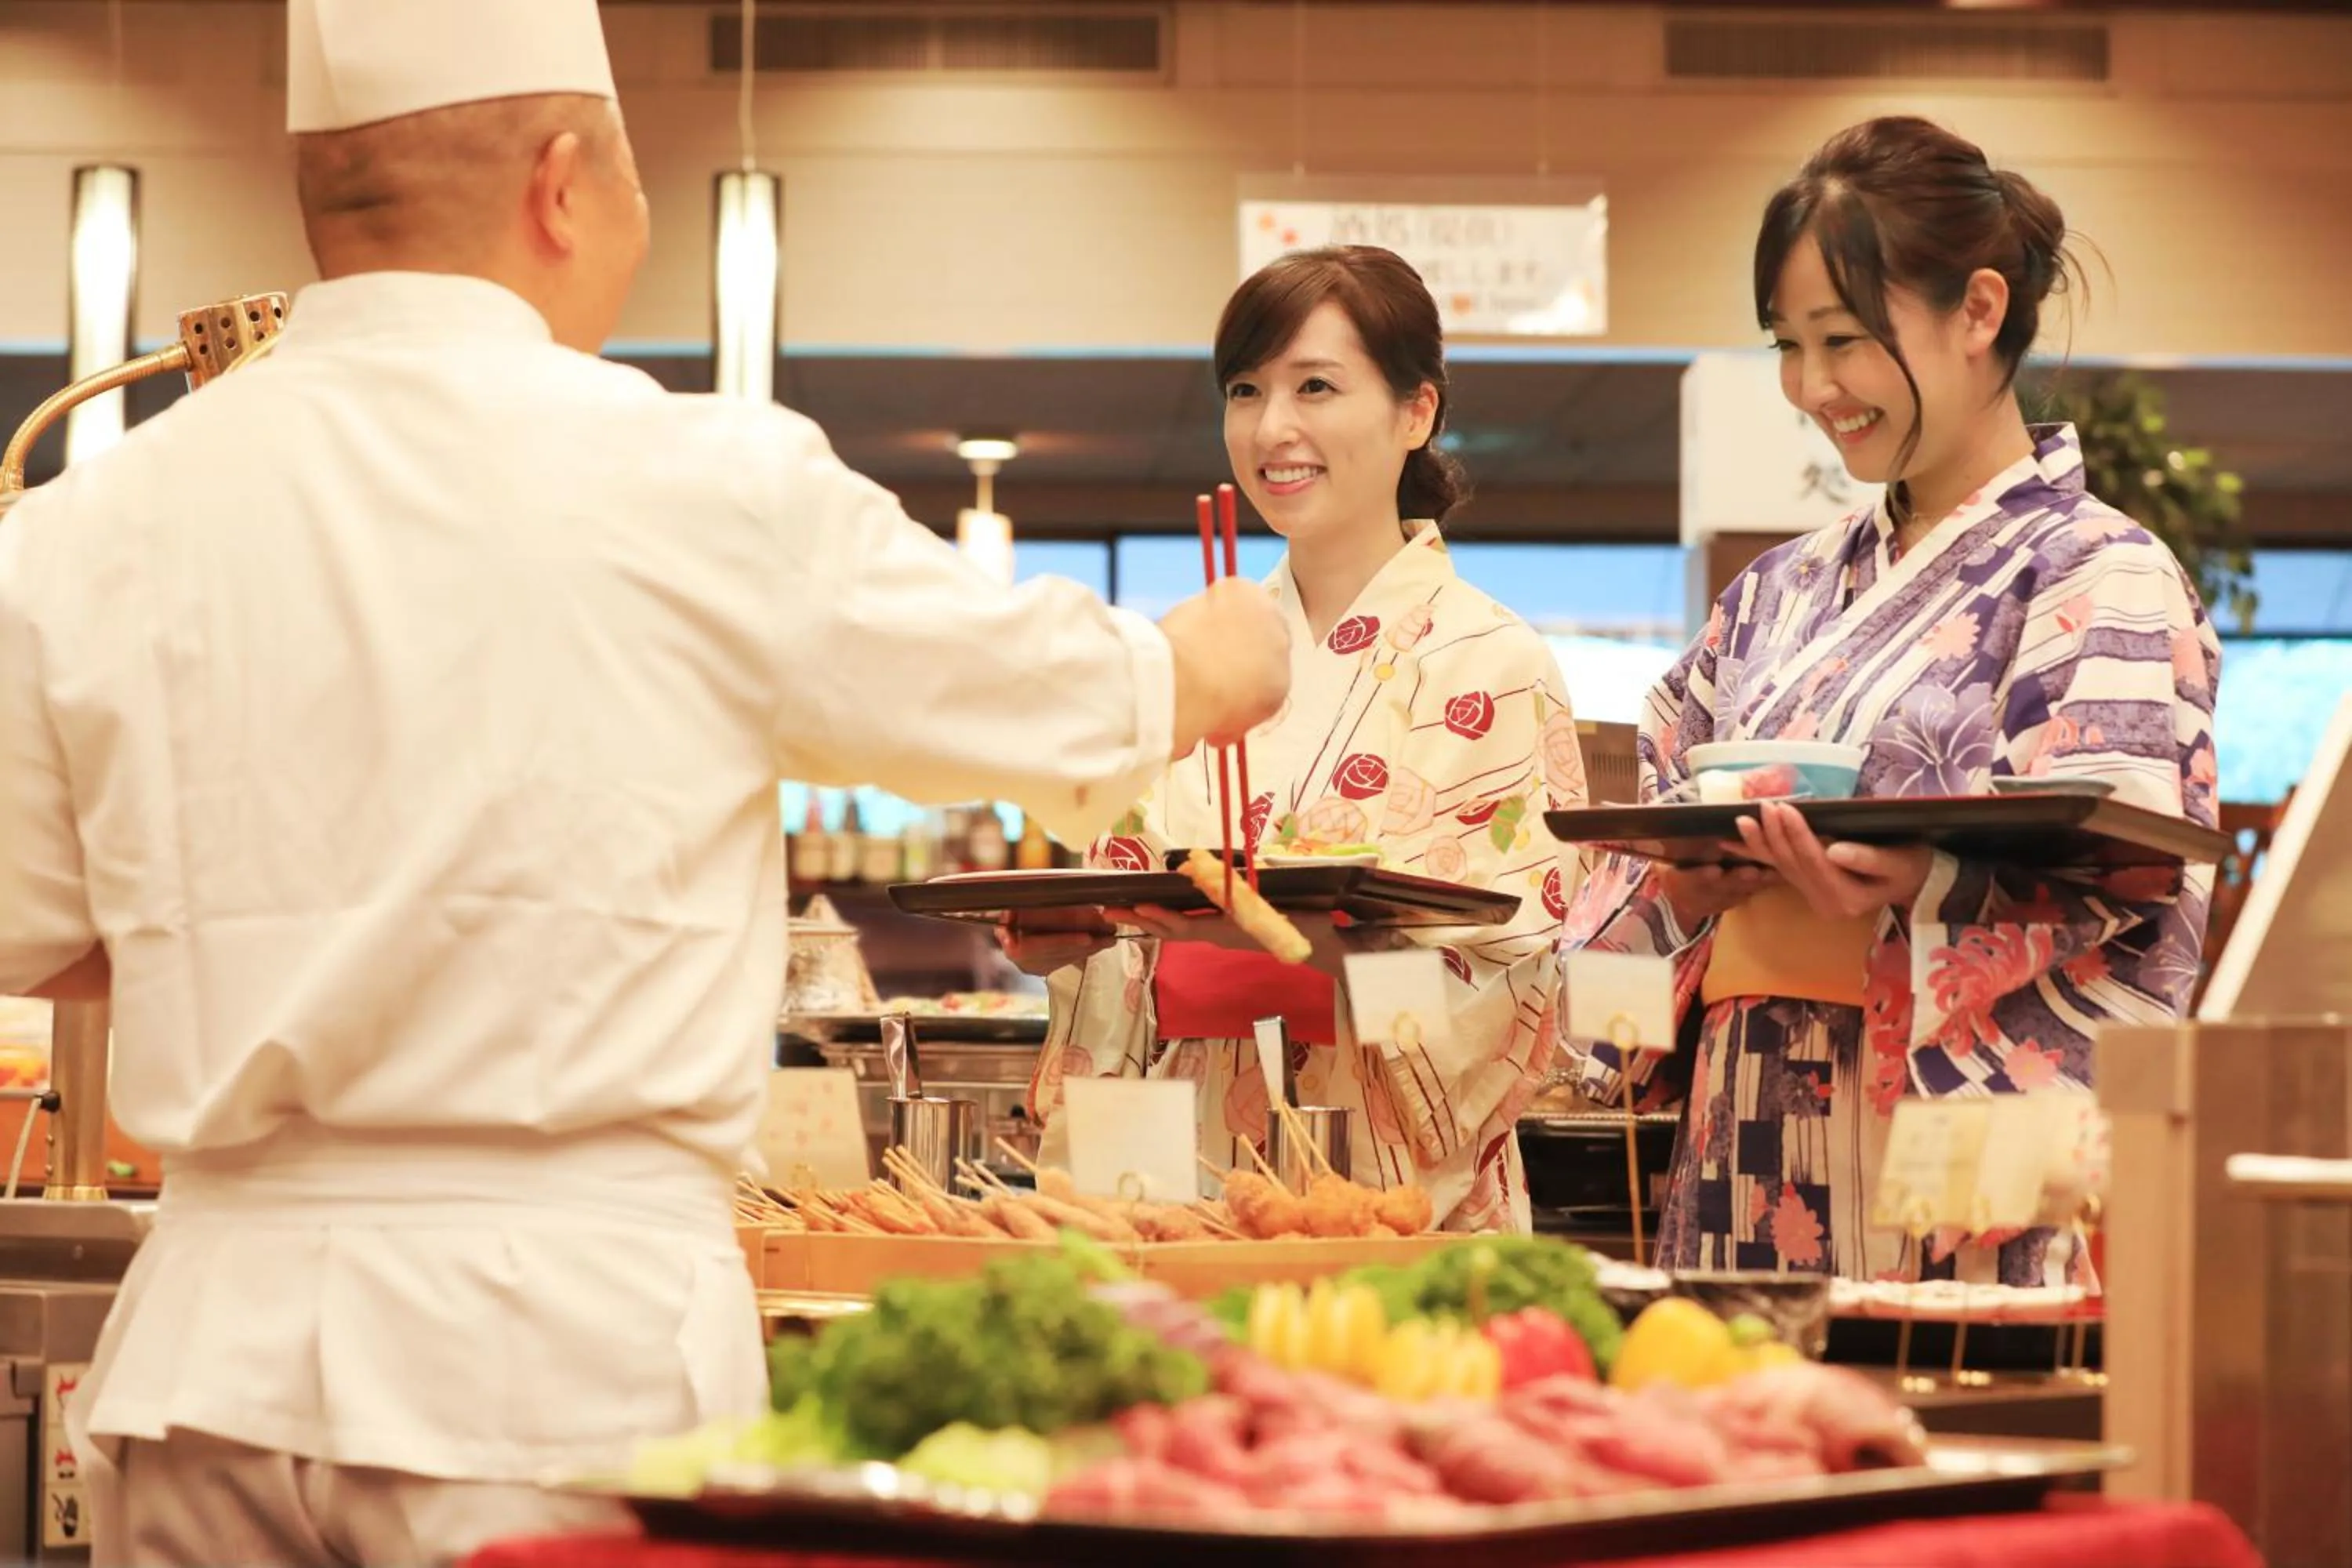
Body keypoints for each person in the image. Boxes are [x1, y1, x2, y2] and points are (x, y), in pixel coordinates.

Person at [0, 1, 1290, 1562]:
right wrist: (1218, 653)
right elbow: (1066, 695)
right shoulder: (700, 480)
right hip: (555, 1356)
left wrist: (290, 933)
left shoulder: (83, 525)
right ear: (561, 185)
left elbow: (43, 932)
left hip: (209, 1368)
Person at [1563, 116, 2220, 1286]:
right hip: (1742, 1119)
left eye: (1847, 340)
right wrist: (1686, 884)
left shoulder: (2099, 571)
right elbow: (1644, 826)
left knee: (1930, 1389)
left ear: (1979, 310)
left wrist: (1925, 884)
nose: (1813, 387)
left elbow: (2131, 881)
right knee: (1742, 1394)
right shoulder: (1775, 591)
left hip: (1938, 1152)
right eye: (1788, 345)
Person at [1005, 246, 1581, 1233]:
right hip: (1182, 1164)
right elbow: (1128, 902)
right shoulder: (1198, 647)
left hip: (1374, 1174)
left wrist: (1309, 955)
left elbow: (1519, 972)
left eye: (1316, 386)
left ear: (1416, 410)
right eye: (1245, 390)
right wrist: (1084, 942)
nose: (1272, 428)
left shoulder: (1492, 661)